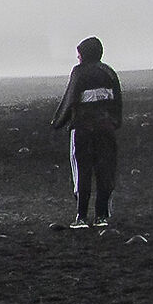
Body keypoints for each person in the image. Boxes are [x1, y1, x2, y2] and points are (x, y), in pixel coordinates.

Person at [51, 37, 123, 228]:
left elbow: (71, 99)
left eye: (79, 53)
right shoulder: (109, 72)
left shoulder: (79, 72)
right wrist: (114, 122)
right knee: (105, 170)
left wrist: (58, 122)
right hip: (105, 128)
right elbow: (117, 101)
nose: (78, 57)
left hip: (83, 128)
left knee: (82, 171)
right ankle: (101, 216)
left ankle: (81, 217)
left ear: (84, 54)